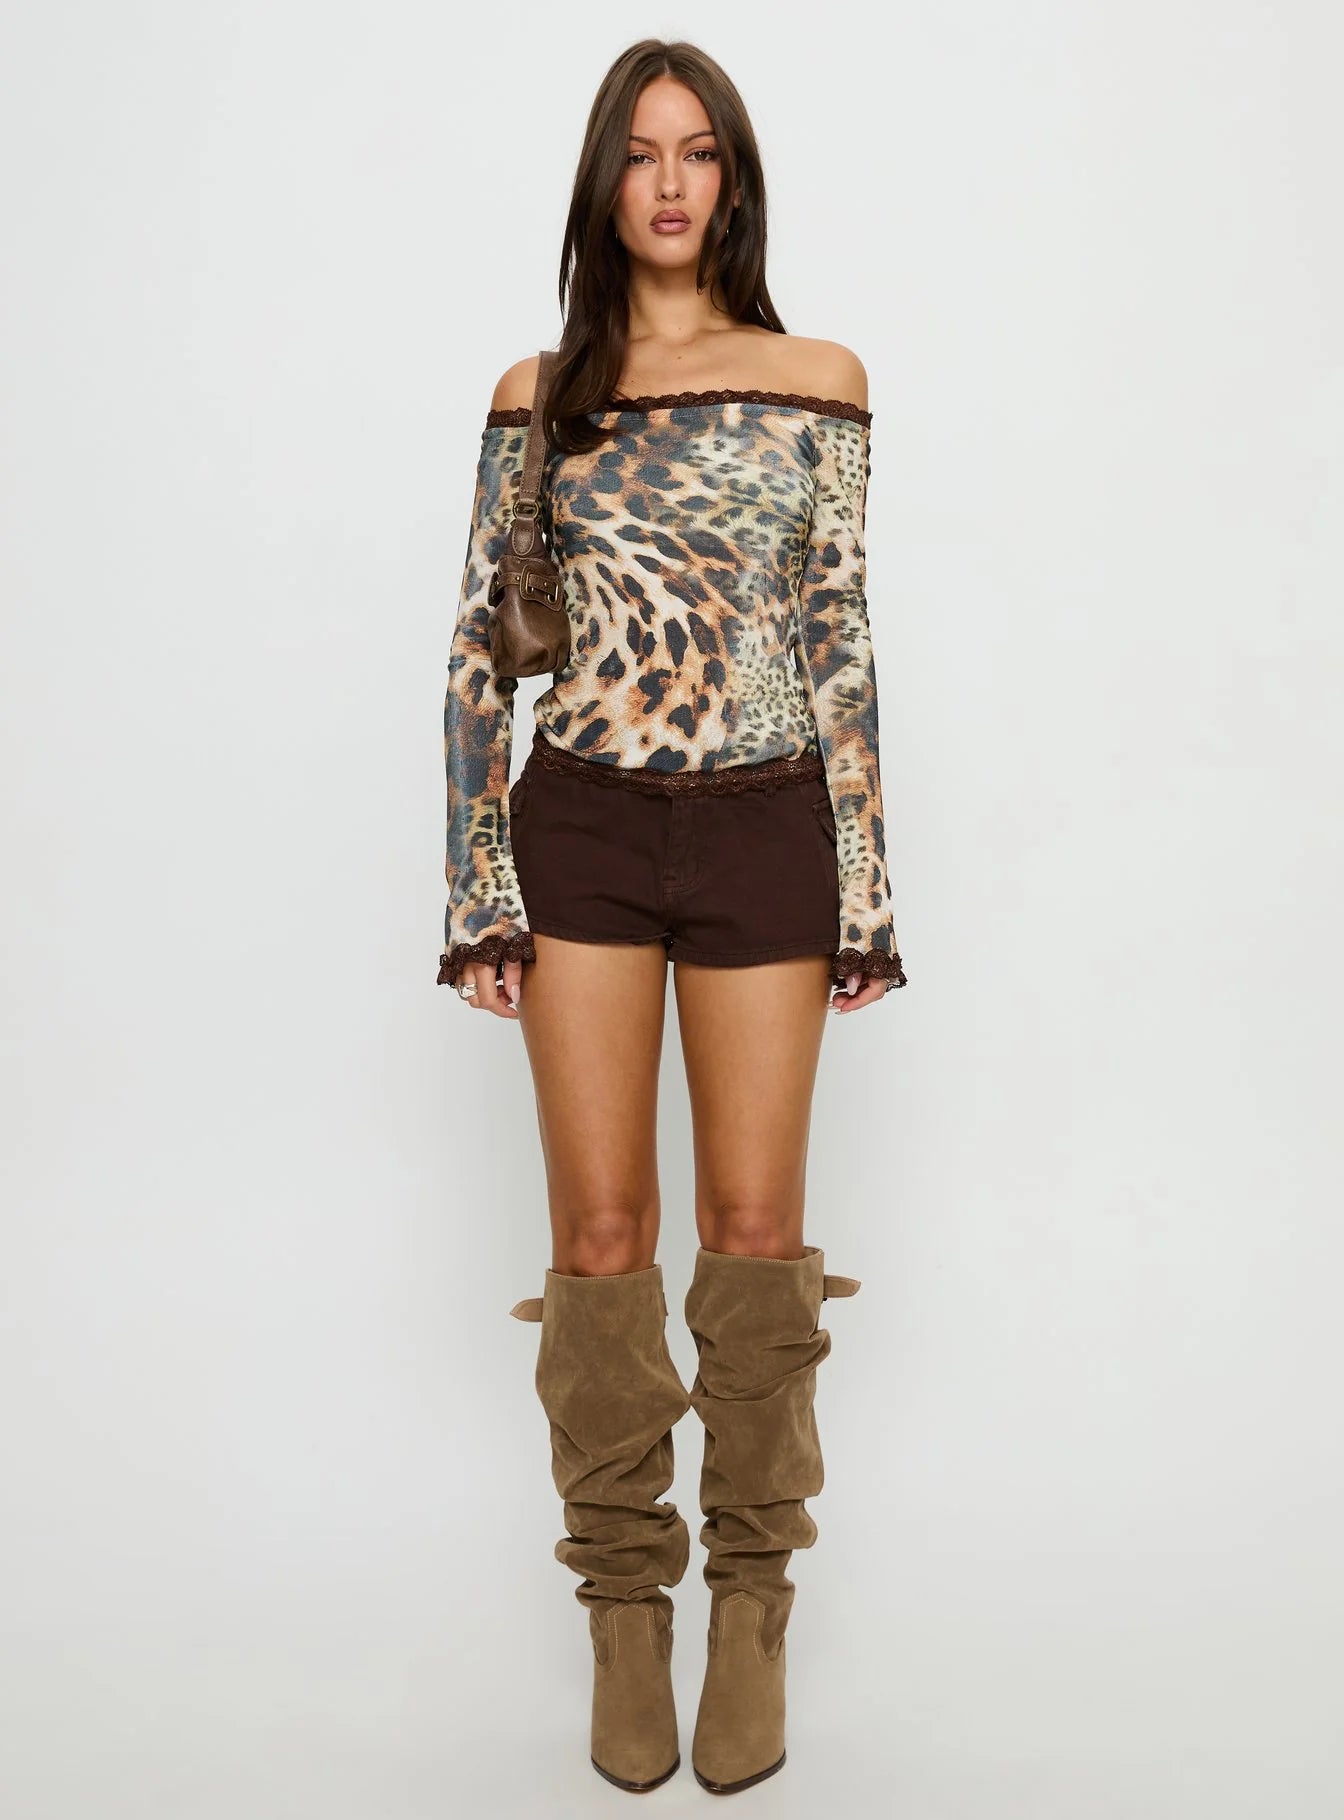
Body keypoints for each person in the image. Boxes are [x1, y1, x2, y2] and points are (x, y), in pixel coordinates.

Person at [438, 38, 907, 1797]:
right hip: (582, 828)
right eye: (640, 154)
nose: (669, 182)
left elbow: (841, 634)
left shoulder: (818, 379)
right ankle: (626, 1615)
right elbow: (482, 650)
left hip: (768, 822)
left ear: (734, 180)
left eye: (698, 152)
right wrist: (479, 886)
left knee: (755, 1226)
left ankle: (754, 1607)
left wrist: (865, 885)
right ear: (602, 182)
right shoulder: (539, 395)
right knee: (603, 1234)